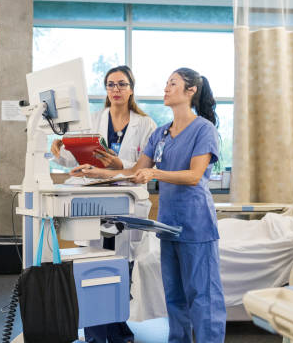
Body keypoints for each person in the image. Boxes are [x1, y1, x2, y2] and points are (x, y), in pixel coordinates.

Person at [70, 68, 226, 343]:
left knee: (203, 297)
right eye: (166, 83)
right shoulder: (162, 134)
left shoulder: (204, 129)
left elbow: (193, 176)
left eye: (173, 84)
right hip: (167, 225)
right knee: (175, 298)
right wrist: (97, 173)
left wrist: (155, 173)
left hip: (196, 223)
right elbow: (134, 171)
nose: (165, 88)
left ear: (190, 91)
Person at [51, 65, 156, 343]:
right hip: (95, 197)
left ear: (131, 88)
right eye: (111, 85)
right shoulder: (95, 119)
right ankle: (99, 330)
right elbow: (77, 158)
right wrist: (60, 154)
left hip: (129, 199)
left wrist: (120, 165)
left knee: (122, 264)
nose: (116, 90)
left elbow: (146, 168)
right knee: (95, 263)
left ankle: (117, 324)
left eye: (122, 84)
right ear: (106, 90)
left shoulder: (145, 124)